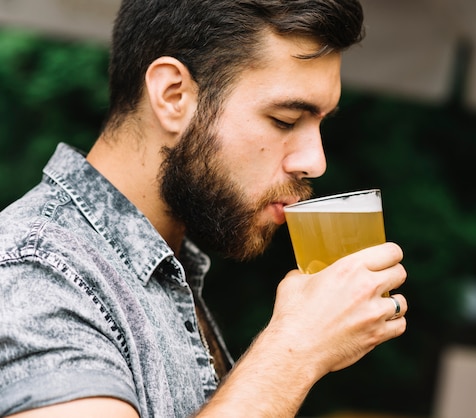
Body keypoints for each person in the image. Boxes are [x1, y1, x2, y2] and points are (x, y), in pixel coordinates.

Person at [0, 0, 408, 417]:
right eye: (285, 120)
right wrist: (296, 349)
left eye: (320, 123)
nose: (315, 161)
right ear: (173, 96)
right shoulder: (34, 270)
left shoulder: (167, 270)